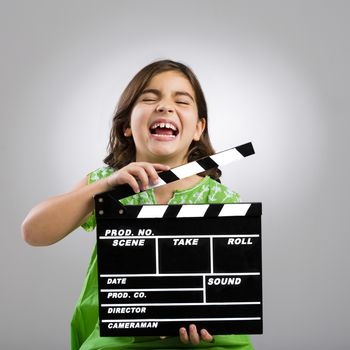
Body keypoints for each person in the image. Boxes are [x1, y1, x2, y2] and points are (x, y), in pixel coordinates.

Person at [22, 59, 254, 349]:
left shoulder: (221, 199)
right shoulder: (106, 183)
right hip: (117, 340)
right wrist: (105, 187)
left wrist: (210, 319)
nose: (165, 107)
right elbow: (34, 232)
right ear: (126, 127)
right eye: (149, 98)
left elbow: (229, 292)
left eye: (181, 101)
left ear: (198, 128)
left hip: (204, 343)